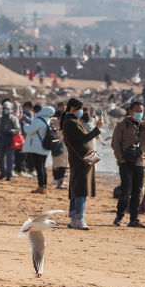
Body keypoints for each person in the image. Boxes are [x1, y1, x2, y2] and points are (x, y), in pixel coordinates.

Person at [111, 101, 145, 228]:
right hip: (126, 163)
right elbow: (115, 143)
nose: (140, 114)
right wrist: (120, 158)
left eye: (141, 111)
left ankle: (134, 219)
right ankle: (119, 216)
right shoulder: (122, 125)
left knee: (137, 191)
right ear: (130, 111)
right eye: (137, 111)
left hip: (140, 163)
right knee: (126, 191)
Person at [61, 98, 103, 230]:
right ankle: (79, 219)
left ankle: (74, 218)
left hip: (79, 159)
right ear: (73, 108)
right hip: (81, 160)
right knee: (81, 189)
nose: (81, 112)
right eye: (79, 109)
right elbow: (85, 138)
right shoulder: (71, 123)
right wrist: (97, 128)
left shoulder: (70, 121)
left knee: (77, 187)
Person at [23, 105, 54, 194]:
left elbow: (29, 131)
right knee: (42, 167)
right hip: (45, 147)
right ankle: (44, 186)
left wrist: (26, 125)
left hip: (37, 148)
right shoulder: (48, 120)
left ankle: (41, 187)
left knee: (39, 167)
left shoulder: (38, 120)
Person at [0, 101, 20, 181]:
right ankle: (3, 173)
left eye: (7, 108)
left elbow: (18, 130)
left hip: (10, 141)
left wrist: (12, 131)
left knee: (10, 158)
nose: (6, 110)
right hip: (0, 141)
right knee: (0, 158)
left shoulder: (14, 119)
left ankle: (8, 174)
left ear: (10, 109)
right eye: (4, 108)